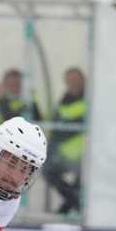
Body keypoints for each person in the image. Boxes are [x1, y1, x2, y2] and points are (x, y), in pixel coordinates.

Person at [45, 67, 87, 215]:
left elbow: (77, 125)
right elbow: (57, 124)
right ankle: (74, 204)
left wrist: (65, 129)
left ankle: (66, 209)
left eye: (76, 82)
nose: (73, 85)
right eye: (69, 82)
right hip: (66, 151)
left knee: (80, 181)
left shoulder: (90, 98)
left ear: (83, 81)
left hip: (85, 153)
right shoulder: (64, 99)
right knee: (47, 171)